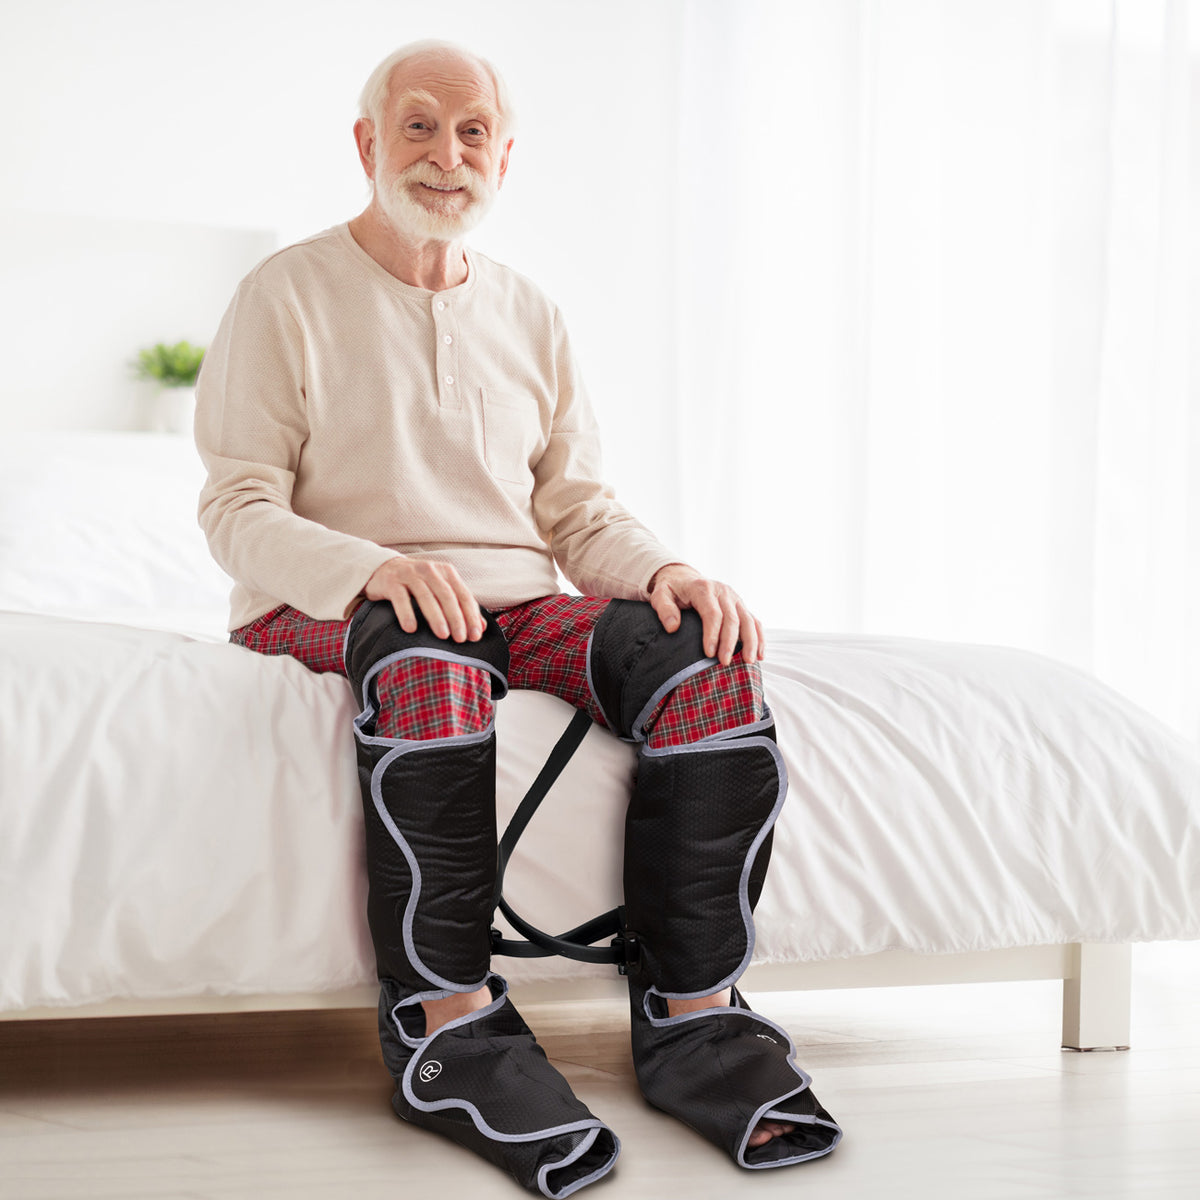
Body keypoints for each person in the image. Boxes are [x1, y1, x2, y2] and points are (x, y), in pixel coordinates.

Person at [196, 39, 840, 1197]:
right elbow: (239, 508)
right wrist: (373, 568)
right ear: (367, 143)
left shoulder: (532, 313)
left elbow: (578, 512)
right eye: (420, 126)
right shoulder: (283, 293)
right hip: (328, 602)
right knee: (434, 665)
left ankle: (695, 1015)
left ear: (503, 153)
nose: (449, 155)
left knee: (710, 670)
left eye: (474, 131)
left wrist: (666, 571)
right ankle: (445, 1026)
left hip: (517, 596)